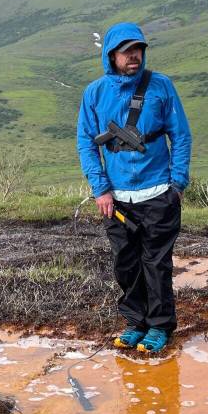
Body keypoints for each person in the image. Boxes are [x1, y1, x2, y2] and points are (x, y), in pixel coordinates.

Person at [76, 22, 192, 354]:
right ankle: (135, 322)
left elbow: (180, 135)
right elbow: (87, 143)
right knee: (126, 264)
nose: (134, 56)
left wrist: (177, 183)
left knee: (156, 264)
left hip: (158, 194)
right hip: (116, 200)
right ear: (110, 55)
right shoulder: (95, 93)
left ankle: (159, 327)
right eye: (127, 51)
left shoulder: (161, 86)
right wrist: (100, 189)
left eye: (138, 50)